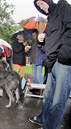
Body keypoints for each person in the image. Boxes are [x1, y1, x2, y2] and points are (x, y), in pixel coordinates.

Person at [29, 0, 71, 129]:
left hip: (63, 62)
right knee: (47, 97)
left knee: (58, 100)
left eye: (42, 3)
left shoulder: (62, 5)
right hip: (51, 62)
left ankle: (49, 126)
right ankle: (43, 119)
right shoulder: (50, 18)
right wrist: (42, 40)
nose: (41, 7)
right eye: (39, 6)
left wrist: (64, 55)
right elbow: (53, 39)